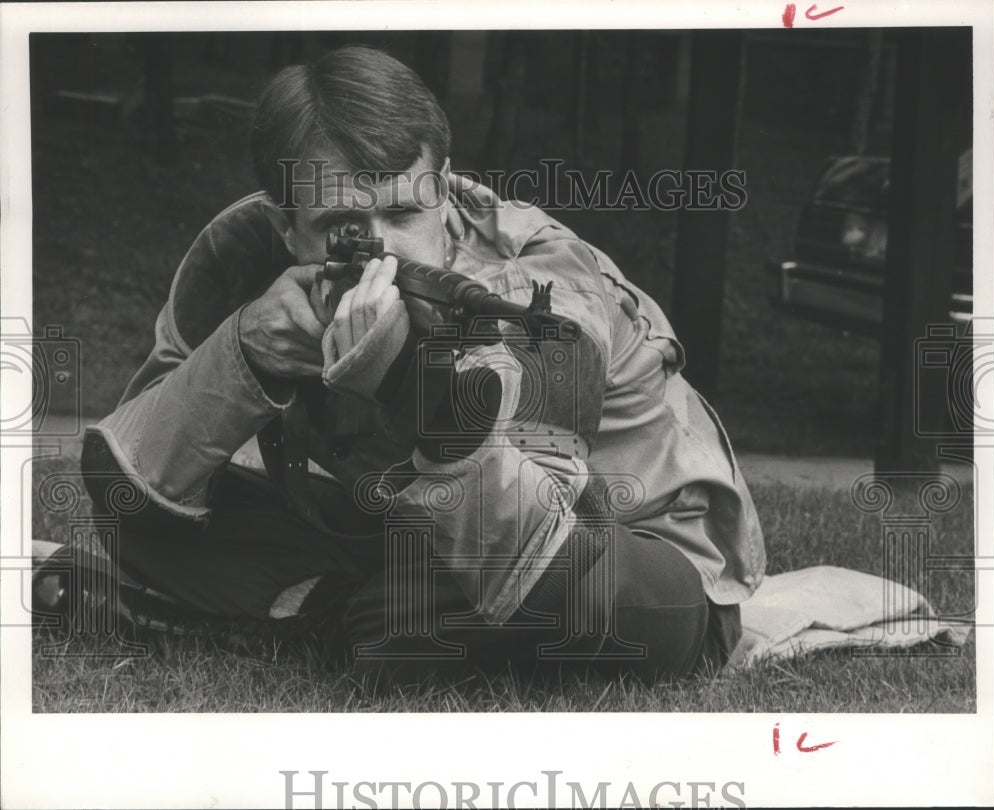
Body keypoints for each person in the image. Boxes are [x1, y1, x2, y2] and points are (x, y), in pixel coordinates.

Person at [80, 45, 765, 684]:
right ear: (286, 229)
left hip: (629, 555)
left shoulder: (539, 289)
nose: (381, 252)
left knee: (405, 621)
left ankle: (311, 622)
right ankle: (345, 618)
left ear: (443, 189)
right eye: (340, 228)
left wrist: (406, 380)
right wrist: (246, 351)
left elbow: (541, 555)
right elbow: (125, 480)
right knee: (136, 519)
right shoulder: (242, 257)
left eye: (404, 212)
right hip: (431, 534)